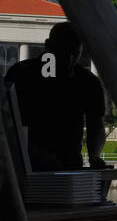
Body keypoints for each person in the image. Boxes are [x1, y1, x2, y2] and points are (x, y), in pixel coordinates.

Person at [4, 22, 108, 171]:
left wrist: (94, 156)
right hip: (26, 165)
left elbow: (96, 126)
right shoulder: (87, 81)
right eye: (64, 53)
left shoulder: (21, 72)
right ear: (48, 45)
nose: (70, 60)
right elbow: (8, 124)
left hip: (61, 164)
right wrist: (33, 153)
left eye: (75, 54)